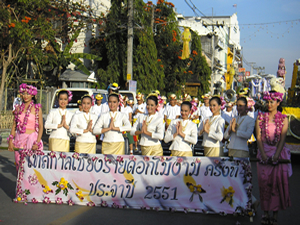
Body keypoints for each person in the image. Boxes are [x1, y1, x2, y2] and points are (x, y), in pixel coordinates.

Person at [256, 91, 292, 225]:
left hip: (278, 154)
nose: (269, 104)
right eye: (268, 101)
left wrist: (276, 155)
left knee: (276, 185)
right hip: (263, 154)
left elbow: (282, 139)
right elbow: (259, 137)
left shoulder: (283, 119)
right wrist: (264, 155)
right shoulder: (260, 117)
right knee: (264, 185)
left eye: (272, 102)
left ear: (278, 102)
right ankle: (265, 214)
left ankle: (275, 215)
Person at [8, 83, 43, 171]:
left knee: (30, 170)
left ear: (32, 95)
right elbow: (14, 126)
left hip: (31, 141)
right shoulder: (18, 108)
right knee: (19, 168)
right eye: (23, 93)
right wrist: (11, 141)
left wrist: (37, 143)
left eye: (28, 93)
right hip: (19, 140)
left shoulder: (37, 108)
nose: (25, 96)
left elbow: (41, 127)